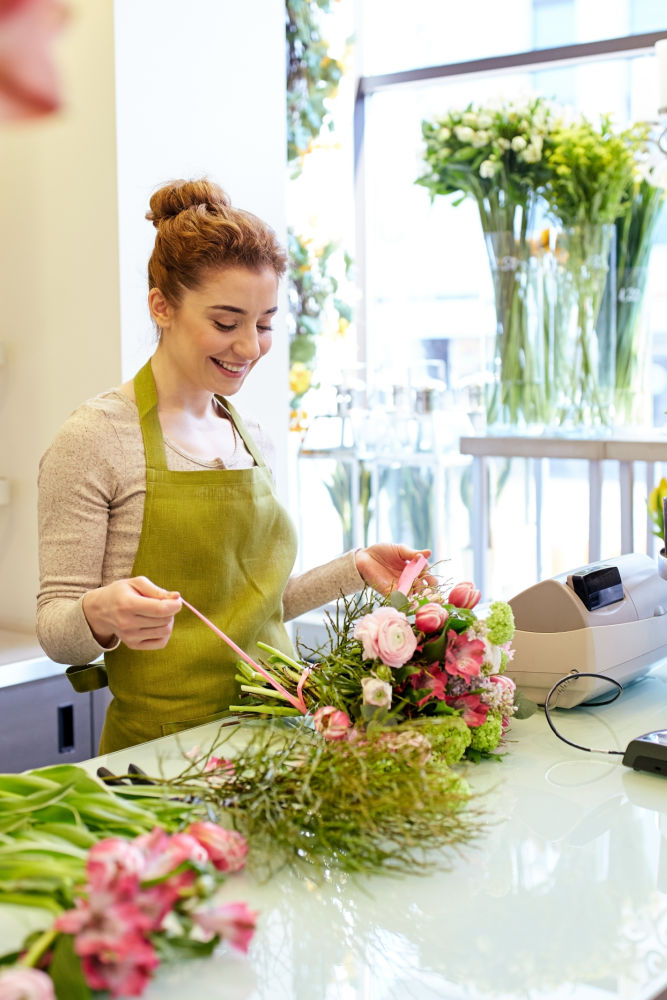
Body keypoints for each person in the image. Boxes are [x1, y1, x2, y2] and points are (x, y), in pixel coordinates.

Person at [37, 178, 431, 754]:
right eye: (226, 323)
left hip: (278, 737)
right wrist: (100, 613)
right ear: (161, 306)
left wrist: (356, 566)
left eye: (265, 323)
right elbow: (56, 633)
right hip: (161, 756)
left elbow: (257, 608)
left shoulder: (253, 439)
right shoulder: (96, 439)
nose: (249, 347)